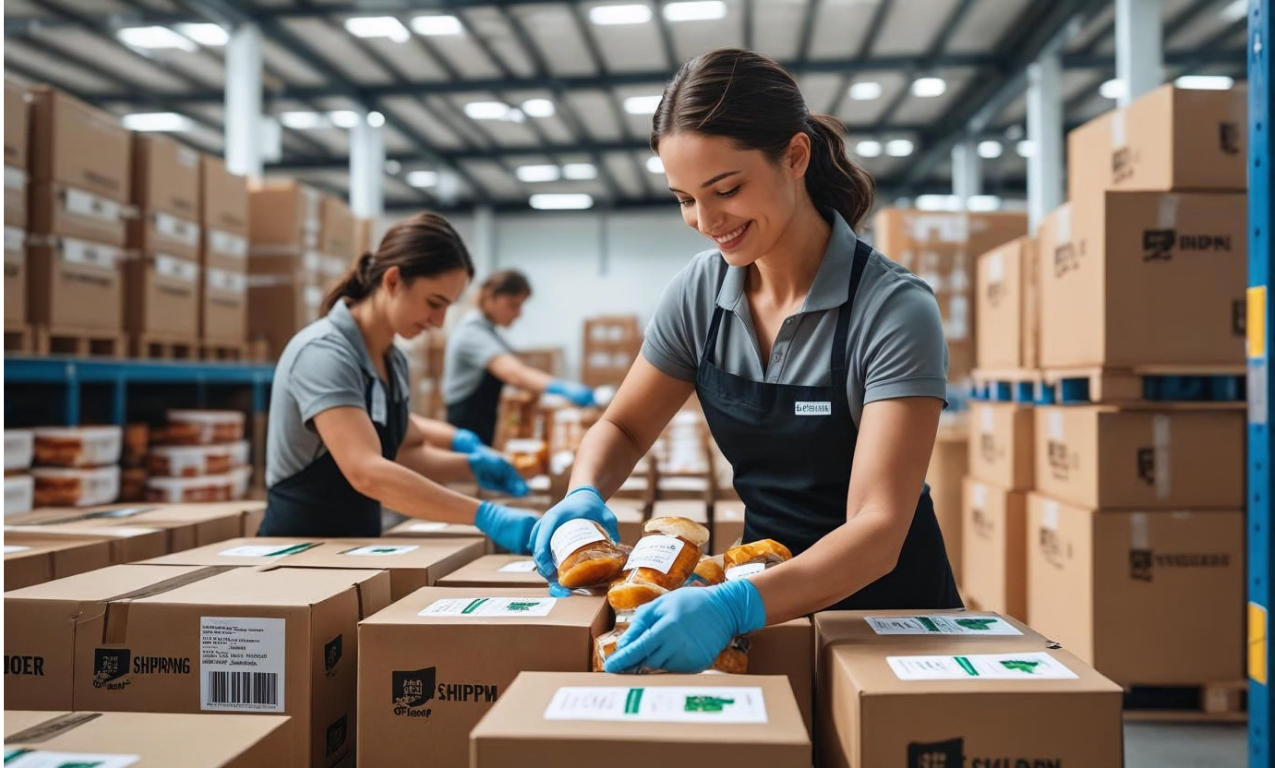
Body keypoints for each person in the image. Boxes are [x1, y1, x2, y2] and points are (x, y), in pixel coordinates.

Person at [530, 49, 961, 673]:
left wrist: (733, 607)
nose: (706, 222)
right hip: (766, 596)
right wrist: (583, 492)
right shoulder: (699, 294)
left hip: (887, 621)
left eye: (726, 190)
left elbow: (877, 529)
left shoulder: (892, 310)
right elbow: (622, 427)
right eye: (684, 199)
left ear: (795, 156)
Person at [259, 212, 535, 549]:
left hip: (351, 550)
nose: (439, 321)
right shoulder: (325, 353)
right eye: (434, 303)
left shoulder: (393, 360)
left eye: (447, 307)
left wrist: (473, 466)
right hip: (298, 551)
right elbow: (367, 471)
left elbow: (405, 452)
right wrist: (485, 516)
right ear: (392, 281)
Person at [442, 269, 598, 450]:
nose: (518, 314)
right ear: (491, 298)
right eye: (513, 305)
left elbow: (516, 364)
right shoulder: (471, 332)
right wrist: (563, 389)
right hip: (466, 423)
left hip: (480, 422)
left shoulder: (489, 331)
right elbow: (515, 374)